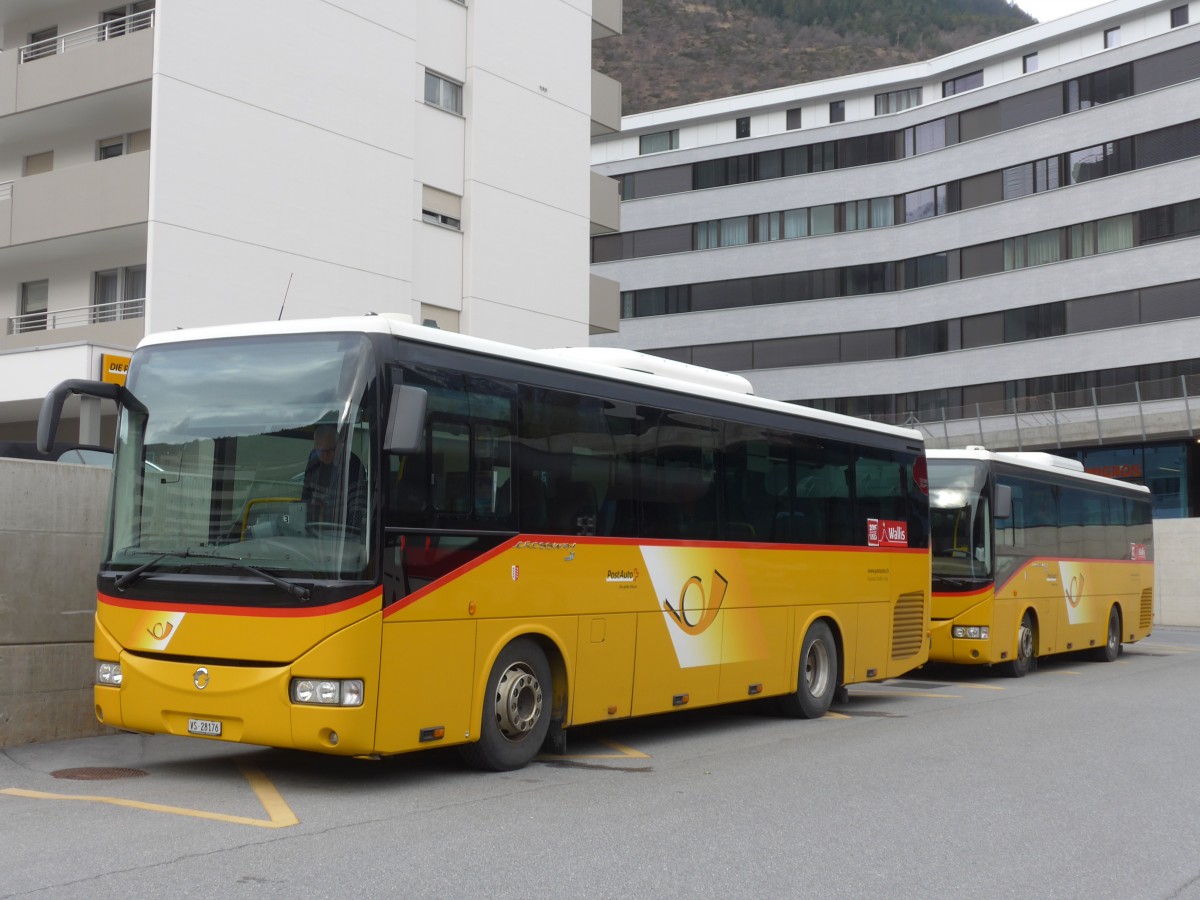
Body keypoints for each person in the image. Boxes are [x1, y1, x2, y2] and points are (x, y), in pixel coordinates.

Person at [301, 424, 367, 530]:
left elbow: (357, 510)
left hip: (340, 534)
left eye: (327, 451)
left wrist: (349, 536)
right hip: (313, 529)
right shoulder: (314, 458)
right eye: (318, 449)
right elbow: (305, 497)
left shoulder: (353, 466)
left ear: (340, 445)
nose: (322, 456)